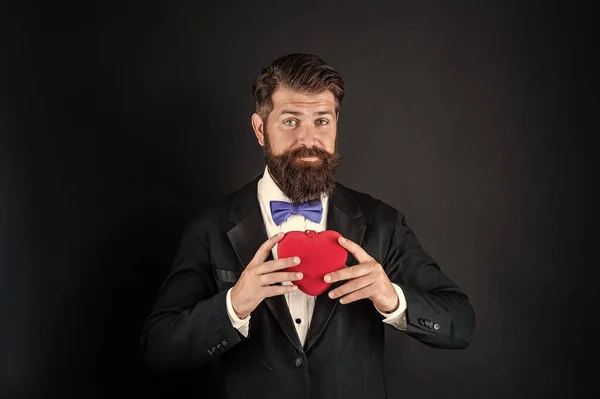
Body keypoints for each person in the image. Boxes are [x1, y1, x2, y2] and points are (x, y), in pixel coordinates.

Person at [140, 53, 475, 399]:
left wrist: (392, 298)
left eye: (322, 121)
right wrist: (234, 305)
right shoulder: (209, 228)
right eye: (290, 121)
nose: (308, 139)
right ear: (260, 129)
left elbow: (460, 324)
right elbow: (159, 348)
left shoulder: (382, 222)